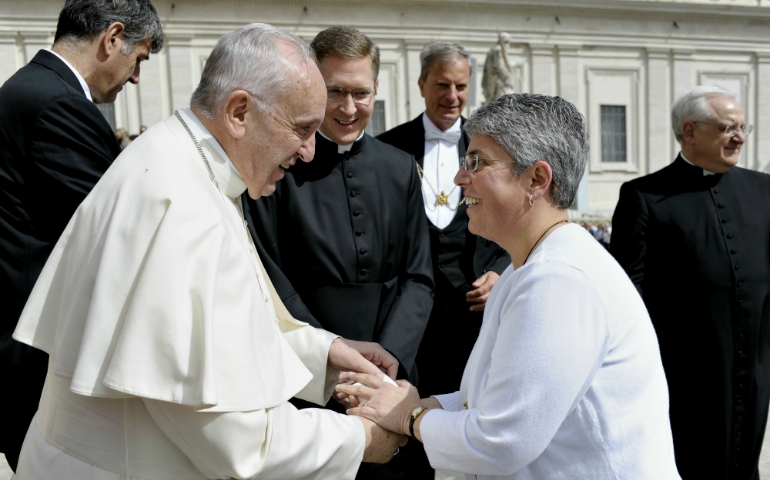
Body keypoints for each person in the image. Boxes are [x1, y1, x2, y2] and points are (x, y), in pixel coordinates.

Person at [12, 23, 405, 479]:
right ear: (239, 111)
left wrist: (322, 355)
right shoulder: (184, 210)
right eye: (301, 128)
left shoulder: (176, 159)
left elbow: (220, 332)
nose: (309, 152)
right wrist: (359, 439)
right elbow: (238, 445)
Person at [339, 93, 681, 479]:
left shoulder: (559, 281)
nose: (459, 177)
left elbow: (501, 440)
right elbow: (492, 400)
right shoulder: (529, 269)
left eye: (477, 162)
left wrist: (410, 416)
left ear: (536, 179)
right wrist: (410, 400)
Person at [244, 26, 433, 479]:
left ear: (377, 90)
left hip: (390, 374)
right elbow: (267, 274)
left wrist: (387, 359)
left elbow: (419, 277)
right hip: (304, 375)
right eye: (335, 93)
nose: (349, 108)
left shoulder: (400, 166)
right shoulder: (279, 165)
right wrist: (330, 359)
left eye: (361, 93)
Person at [0, 0, 162, 470]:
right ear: (113, 39)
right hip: (34, 356)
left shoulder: (24, 88)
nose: (135, 78)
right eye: (140, 58)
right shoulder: (61, 105)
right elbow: (114, 229)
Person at [611, 85, 770, 480]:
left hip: (754, 365)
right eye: (727, 127)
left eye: (742, 127)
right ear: (690, 131)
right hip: (684, 372)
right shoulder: (643, 196)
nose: (739, 137)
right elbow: (629, 292)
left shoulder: (764, 190)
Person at [377, 40, 508, 403]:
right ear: (421, 85)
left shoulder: (493, 148)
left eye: (461, 86)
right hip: (406, 312)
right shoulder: (388, 147)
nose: (452, 95)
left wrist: (499, 272)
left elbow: (507, 214)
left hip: (470, 310)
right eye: (442, 84)